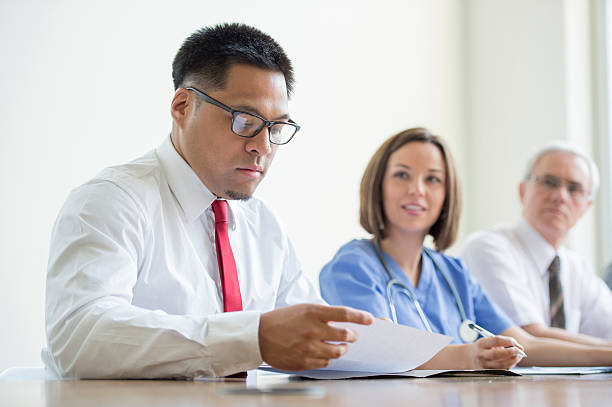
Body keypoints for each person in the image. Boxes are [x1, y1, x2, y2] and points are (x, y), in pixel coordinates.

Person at [44, 23, 373, 379]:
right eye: (245, 120)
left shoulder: (263, 224)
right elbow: (79, 335)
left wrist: (394, 350)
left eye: (276, 128)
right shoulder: (112, 200)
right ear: (183, 106)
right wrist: (251, 338)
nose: (262, 147)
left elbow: (313, 335)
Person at [319, 128, 612, 369]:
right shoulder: (353, 266)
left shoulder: (453, 273)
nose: (417, 189)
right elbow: (384, 353)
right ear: (378, 185)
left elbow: (527, 345)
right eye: (402, 175)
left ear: (447, 196)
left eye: (433, 179)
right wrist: (472, 355)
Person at [461, 143, 612, 344]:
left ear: (587, 206)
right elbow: (529, 338)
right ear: (523, 191)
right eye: (549, 182)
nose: (560, 196)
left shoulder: (578, 268)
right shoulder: (487, 248)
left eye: (574, 189)